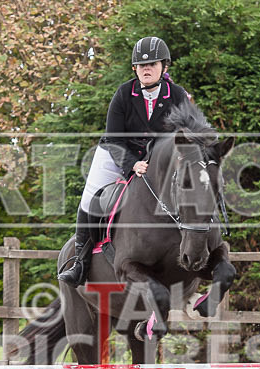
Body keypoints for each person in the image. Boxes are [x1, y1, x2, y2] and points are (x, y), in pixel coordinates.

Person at [58, 36, 192, 286]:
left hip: (157, 160)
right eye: (141, 66)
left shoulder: (177, 95)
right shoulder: (123, 94)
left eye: (152, 64)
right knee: (90, 199)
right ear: (135, 69)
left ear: (164, 67)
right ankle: (80, 262)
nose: (146, 69)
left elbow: (186, 133)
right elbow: (114, 138)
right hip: (116, 153)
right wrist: (132, 164)